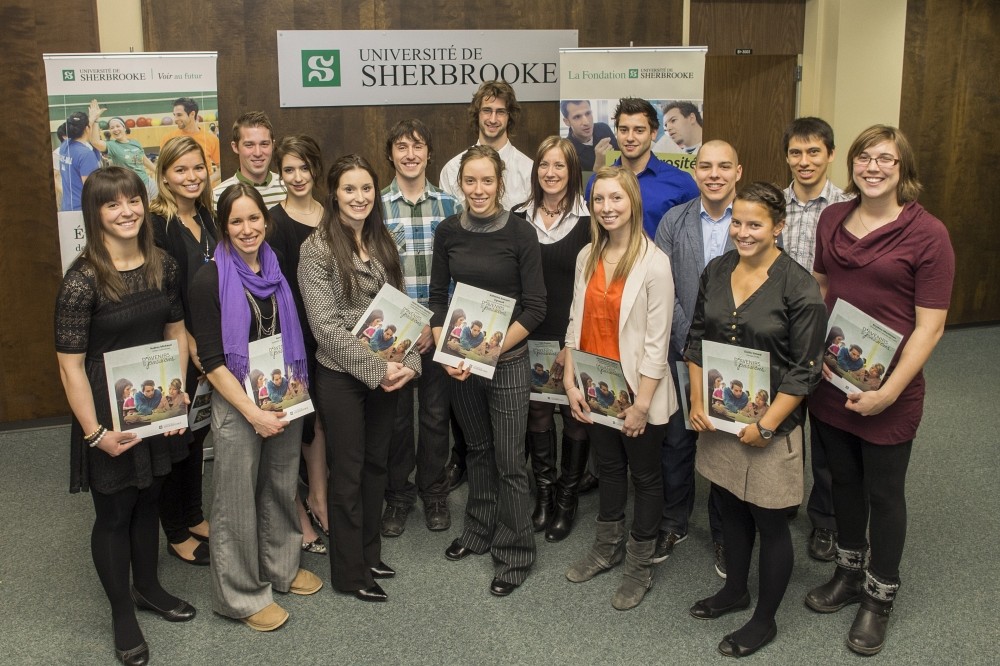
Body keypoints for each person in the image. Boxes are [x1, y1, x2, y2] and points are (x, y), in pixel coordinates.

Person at [804, 125, 954, 656]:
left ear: (902, 168)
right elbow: (823, 288)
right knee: (841, 481)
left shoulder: (928, 234)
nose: (873, 167)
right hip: (833, 381)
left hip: (892, 390)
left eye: (885, 159)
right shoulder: (831, 218)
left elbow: (931, 326)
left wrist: (889, 393)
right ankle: (849, 573)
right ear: (852, 165)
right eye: (864, 157)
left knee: (884, 494)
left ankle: (879, 596)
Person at [55, 166, 195, 665]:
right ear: (95, 214)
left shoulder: (162, 264)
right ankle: (122, 613)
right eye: (112, 204)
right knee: (115, 511)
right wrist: (95, 434)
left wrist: (176, 396)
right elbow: (70, 366)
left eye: (133, 199)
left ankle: (149, 587)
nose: (127, 211)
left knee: (150, 496)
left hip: (154, 403)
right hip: (105, 410)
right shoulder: (82, 281)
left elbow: (176, 332)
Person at [685, 182, 827, 658]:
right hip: (720, 420)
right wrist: (697, 399)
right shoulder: (717, 270)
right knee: (728, 506)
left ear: (778, 227)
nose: (742, 232)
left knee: (770, 522)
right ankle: (735, 591)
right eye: (737, 222)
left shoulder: (799, 287)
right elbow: (697, 339)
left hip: (771, 427)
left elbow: (805, 370)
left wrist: (766, 427)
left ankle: (764, 620)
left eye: (755, 224)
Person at [190, 183, 322, 632]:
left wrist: (285, 399)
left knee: (281, 484)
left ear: (265, 220)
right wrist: (252, 412)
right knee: (235, 501)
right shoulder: (208, 279)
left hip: (282, 390)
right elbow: (211, 362)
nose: (247, 229)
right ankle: (240, 595)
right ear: (223, 227)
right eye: (236, 221)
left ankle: (281, 567)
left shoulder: (275, 264)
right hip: (238, 402)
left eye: (254, 218)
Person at [298, 154, 420, 603]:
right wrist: (377, 368)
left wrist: (410, 363)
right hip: (343, 377)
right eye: (349, 189)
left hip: (389, 372)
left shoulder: (382, 239)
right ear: (334, 194)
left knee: (375, 467)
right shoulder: (316, 248)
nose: (359, 197)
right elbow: (325, 328)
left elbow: (402, 309)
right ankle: (350, 573)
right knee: (347, 473)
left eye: (366, 188)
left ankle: (370, 554)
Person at [429, 145, 546, 597]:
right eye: (470, 181)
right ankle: (478, 530)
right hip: (462, 364)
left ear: (500, 183)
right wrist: (448, 351)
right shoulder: (447, 231)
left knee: (510, 461)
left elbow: (535, 307)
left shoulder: (520, 233)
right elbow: (438, 297)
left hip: (508, 362)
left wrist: (488, 351)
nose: (478, 190)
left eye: (487, 181)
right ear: (460, 183)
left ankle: (514, 554)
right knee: (477, 449)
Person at [562, 166, 675, 611]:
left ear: (633, 202)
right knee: (608, 469)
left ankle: (639, 565)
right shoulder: (587, 255)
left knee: (644, 478)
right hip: (596, 386)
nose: (607, 207)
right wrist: (570, 380)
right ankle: (606, 548)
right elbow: (575, 320)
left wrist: (642, 405)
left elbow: (657, 344)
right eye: (599, 199)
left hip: (637, 392)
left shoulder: (654, 263)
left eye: (616, 198)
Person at [653, 139, 742, 577]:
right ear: (695, 172)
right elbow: (663, 287)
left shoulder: (750, 220)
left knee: (724, 446)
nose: (714, 174)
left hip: (736, 355)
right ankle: (674, 521)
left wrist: (724, 348)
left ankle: (724, 533)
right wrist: (692, 343)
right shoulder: (675, 220)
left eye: (724, 166)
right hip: (681, 345)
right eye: (705, 166)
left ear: (738, 172)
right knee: (676, 441)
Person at [379, 119, 463, 537]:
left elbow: (461, 271)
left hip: (437, 328)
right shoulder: (375, 206)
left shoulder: (451, 205)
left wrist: (437, 324)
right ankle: (398, 495)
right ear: (390, 154)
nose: (410, 154)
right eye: (401, 146)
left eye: (418, 146)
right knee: (395, 420)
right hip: (393, 335)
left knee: (434, 416)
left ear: (429, 153)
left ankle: (434, 492)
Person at [511, 135, 592, 540]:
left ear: (572, 170)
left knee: (575, 416)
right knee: (537, 413)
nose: (551, 172)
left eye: (560, 165)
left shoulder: (592, 221)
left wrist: (573, 344)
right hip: (528, 334)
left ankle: (567, 498)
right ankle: (544, 496)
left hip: (572, 334)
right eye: (544, 164)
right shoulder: (516, 217)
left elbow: (591, 288)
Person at [150, 135, 216, 566]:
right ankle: (175, 531)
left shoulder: (207, 215)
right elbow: (162, 296)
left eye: (197, 168)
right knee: (175, 439)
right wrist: (191, 344)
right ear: (165, 176)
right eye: (181, 169)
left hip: (208, 344)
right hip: (177, 347)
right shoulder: (157, 224)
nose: (191, 177)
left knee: (198, 432)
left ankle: (193, 514)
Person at [268, 134, 330, 554]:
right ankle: (298, 513)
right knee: (293, 423)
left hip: (330, 333)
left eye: (303, 167)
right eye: (288, 169)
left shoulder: (333, 214)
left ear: (315, 169)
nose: (297, 176)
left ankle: (319, 499)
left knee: (320, 420)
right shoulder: (273, 222)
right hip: (290, 336)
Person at [586, 98, 699, 239]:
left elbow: (692, 239)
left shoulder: (681, 182)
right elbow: (591, 234)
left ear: (653, 133)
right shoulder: (597, 183)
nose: (630, 138)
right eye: (623, 130)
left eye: (639, 130)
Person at [439, 80, 533, 209]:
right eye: (487, 110)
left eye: (500, 112)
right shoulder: (452, 170)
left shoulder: (529, 171)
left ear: (509, 116)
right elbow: (449, 220)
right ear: (477, 114)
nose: (493, 119)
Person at [213, 111, 285, 209]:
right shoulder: (217, 196)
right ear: (235, 147)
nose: (258, 153)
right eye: (249, 145)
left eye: (264, 144)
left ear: (273, 145)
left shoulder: (288, 188)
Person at [88, 102, 156, 194]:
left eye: (118, 126)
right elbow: (95, 142)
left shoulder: (135, 142)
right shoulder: (112, 145)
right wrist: (96, 120)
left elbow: (145, 160)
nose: (115, 129)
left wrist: (160, 173)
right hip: (129, 186)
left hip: (145, 182)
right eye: (112, 128)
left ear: (124, 128)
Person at [159, 97, 222, 182]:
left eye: (179, 115)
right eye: (174, 115)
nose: (175, 119)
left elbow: (222, 168)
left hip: (205, 189)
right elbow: (161, 168)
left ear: (192, 114)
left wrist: (206, 182)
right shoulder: (168, 138)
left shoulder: (211, 139)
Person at [58, 111, 102, 211]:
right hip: (82, 208)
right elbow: (91, 188)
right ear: (87, 128)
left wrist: (93, 119)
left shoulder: (65, 145)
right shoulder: (85, 154)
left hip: (67, 207)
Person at [561, 100, 618, 172]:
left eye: (588, 113)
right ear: (567, 122)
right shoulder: (566, 151)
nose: (586, 122)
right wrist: (599, 165)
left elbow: (619, 159)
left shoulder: (603, 128)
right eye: (577, 117)